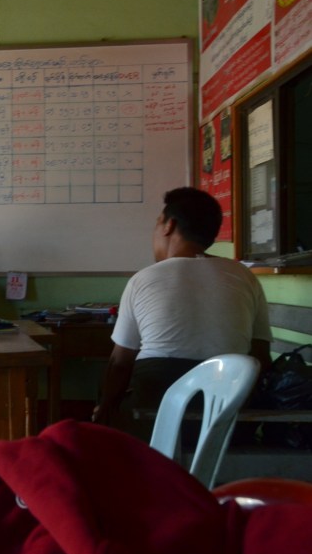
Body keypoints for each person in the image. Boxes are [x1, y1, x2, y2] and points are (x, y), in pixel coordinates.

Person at [92, 187, 272, 436]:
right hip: (227, 417)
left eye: (157, 223)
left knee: (113, 394)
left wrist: (104, 409)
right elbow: (261, 355)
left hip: (158, 413)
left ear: (169, 225)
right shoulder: (244, 276)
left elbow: (120, 363)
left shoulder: (144, 279)